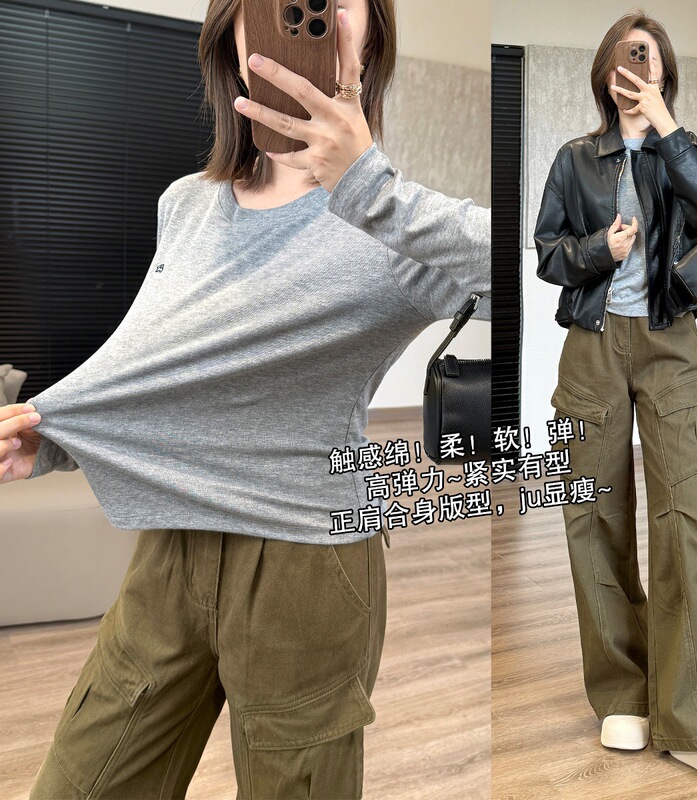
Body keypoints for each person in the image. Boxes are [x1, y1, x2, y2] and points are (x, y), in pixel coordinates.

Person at [0, 1, 490, 797]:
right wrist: (53, 438)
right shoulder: (185, 204)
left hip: (307, 563)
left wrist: (370, 189)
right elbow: (165, 369)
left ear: (371, 35)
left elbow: (563, 282)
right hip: (171, 549)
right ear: (232, 33)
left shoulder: (394, 221)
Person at [533, 10, 697, 794]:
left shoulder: (685, 152)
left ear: (664, 75)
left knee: (685, 522)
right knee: (592, 519)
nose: (637, 72)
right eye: (627, 62)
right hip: (593, 347)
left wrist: (665, 125)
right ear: (606, 74)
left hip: (670, 344)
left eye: (651, 62)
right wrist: (600, 251)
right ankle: (623, 694)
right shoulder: (574, 159)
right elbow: (548, 255)